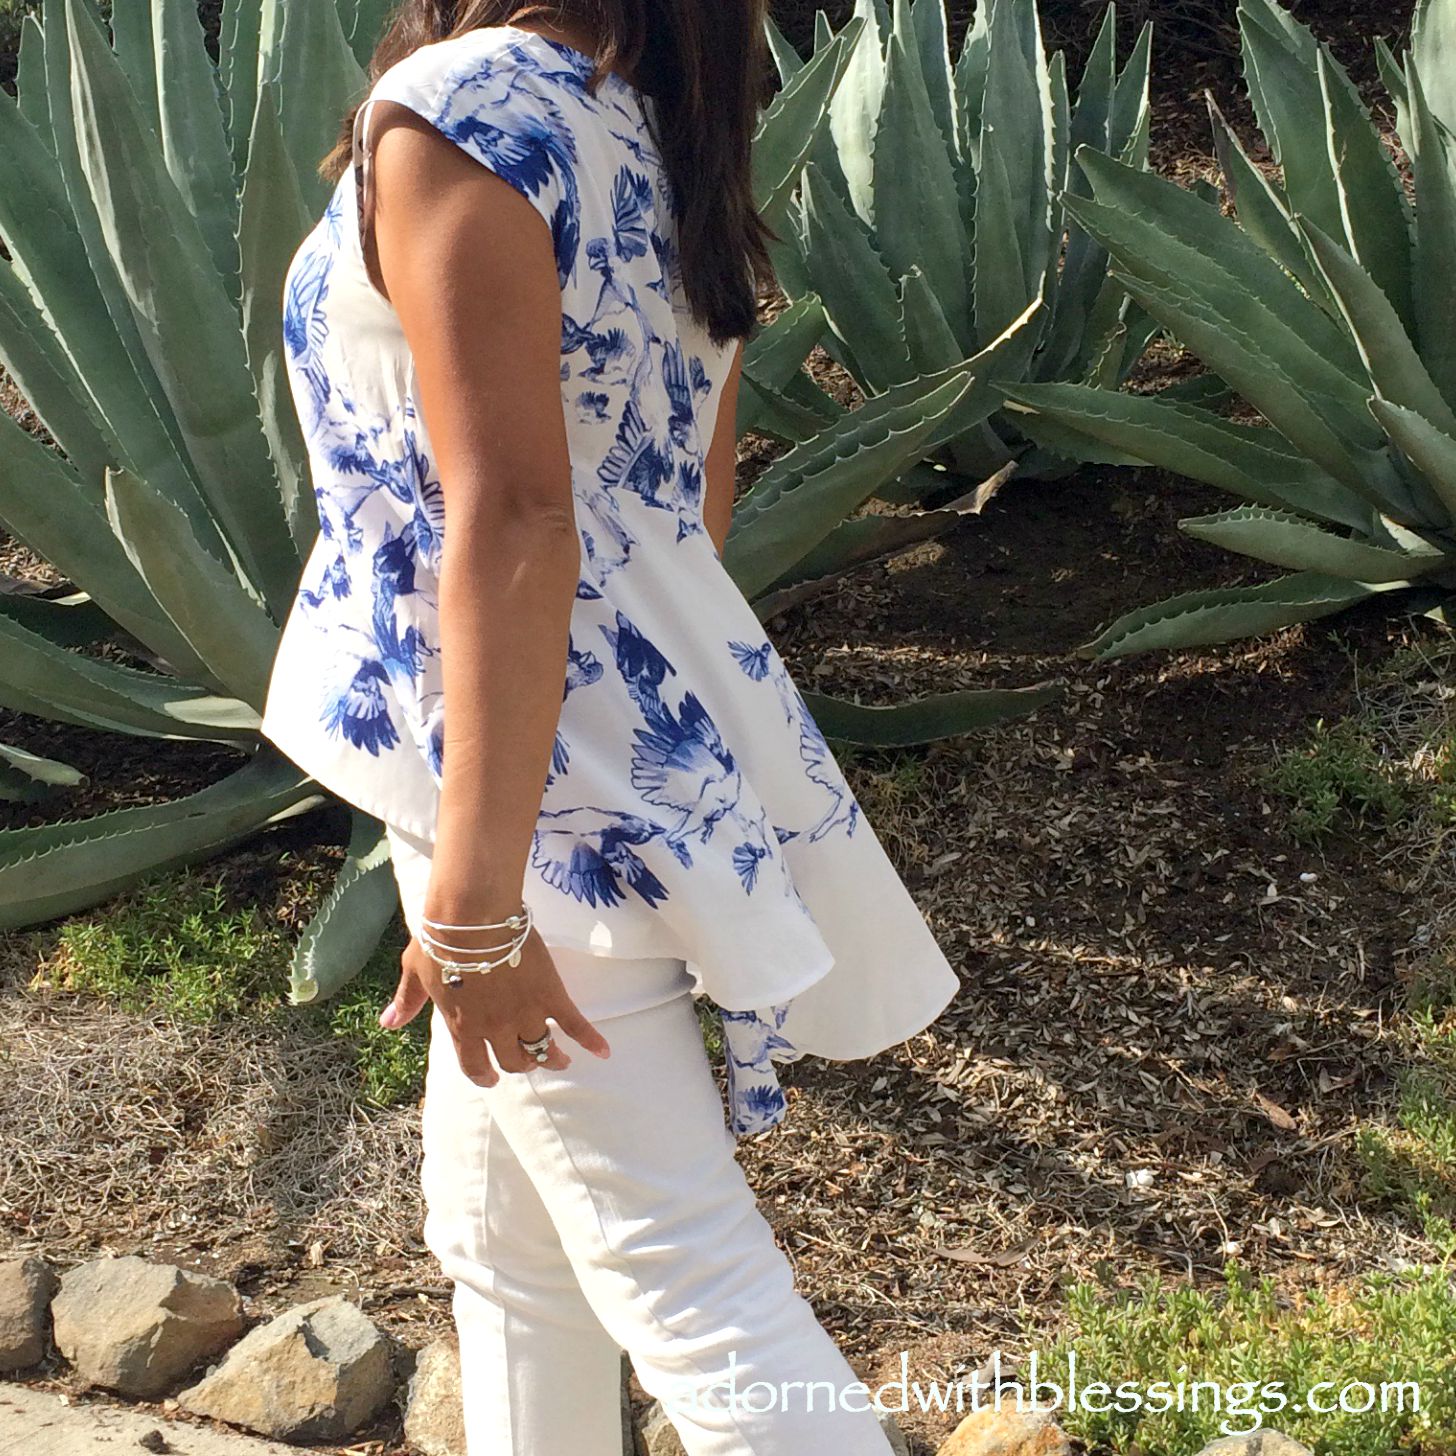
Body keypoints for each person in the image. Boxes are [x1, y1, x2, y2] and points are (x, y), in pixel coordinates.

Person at [258, 3, 960, 1451]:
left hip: (525, 768)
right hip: (623, 729)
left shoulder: (460, 105)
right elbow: (687, 502)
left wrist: (475, 895)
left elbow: (517, 512)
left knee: (688, 1276)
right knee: (503, 1244)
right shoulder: (656, 123)